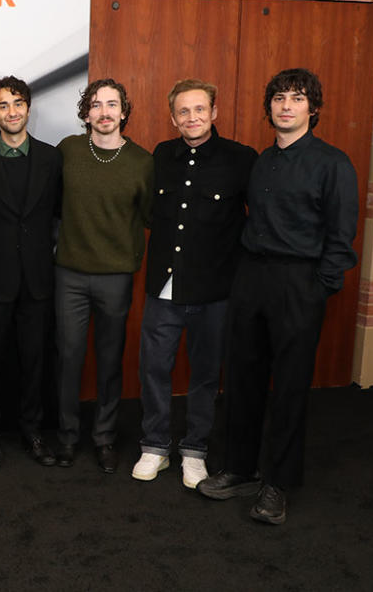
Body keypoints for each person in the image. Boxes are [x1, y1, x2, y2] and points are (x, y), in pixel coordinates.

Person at [197, 68, 358, 524]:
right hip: (251, 279)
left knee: (288, 387)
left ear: (313, 108)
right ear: (269, 107)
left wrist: (316, 289)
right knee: (243, 380)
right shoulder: (261, 161)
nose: (286, 105)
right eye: (279, 98)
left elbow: (341, 240)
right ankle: (240, 469)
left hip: (299, 284)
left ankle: (277, 484)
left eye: (297, 98)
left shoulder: (333, 164)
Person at [133, 79, 257, 488]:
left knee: (205, 373)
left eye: (200, 109)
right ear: (173, 117)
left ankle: (195, 450)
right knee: (154, 368)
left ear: (214, 112)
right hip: (164, 287)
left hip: (215, 290)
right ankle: (154, 445)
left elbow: (256, 221)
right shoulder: (162, 154)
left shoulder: (241, 159)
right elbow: (153, 213)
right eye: (183, 112)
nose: (192, 118)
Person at [55, 79, 153, 474]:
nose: (104, 112)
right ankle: (66, 437)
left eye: (112, 104)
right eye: (96, 105)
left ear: (124, 112)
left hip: (116, 277)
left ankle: (104, 438)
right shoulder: (68, 150)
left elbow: (147, 216)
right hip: (70, 275)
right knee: (68, 358)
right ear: (86, 113)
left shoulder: (142, 161)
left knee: (110, 360)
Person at [0, 76, 62, 470]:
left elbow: (61, 213)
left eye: (18, 103)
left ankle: (32, 429)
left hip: (38, 279)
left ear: (28, 107)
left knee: (35, 359)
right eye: (3, 105)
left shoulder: (52, 158)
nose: (12, 111)